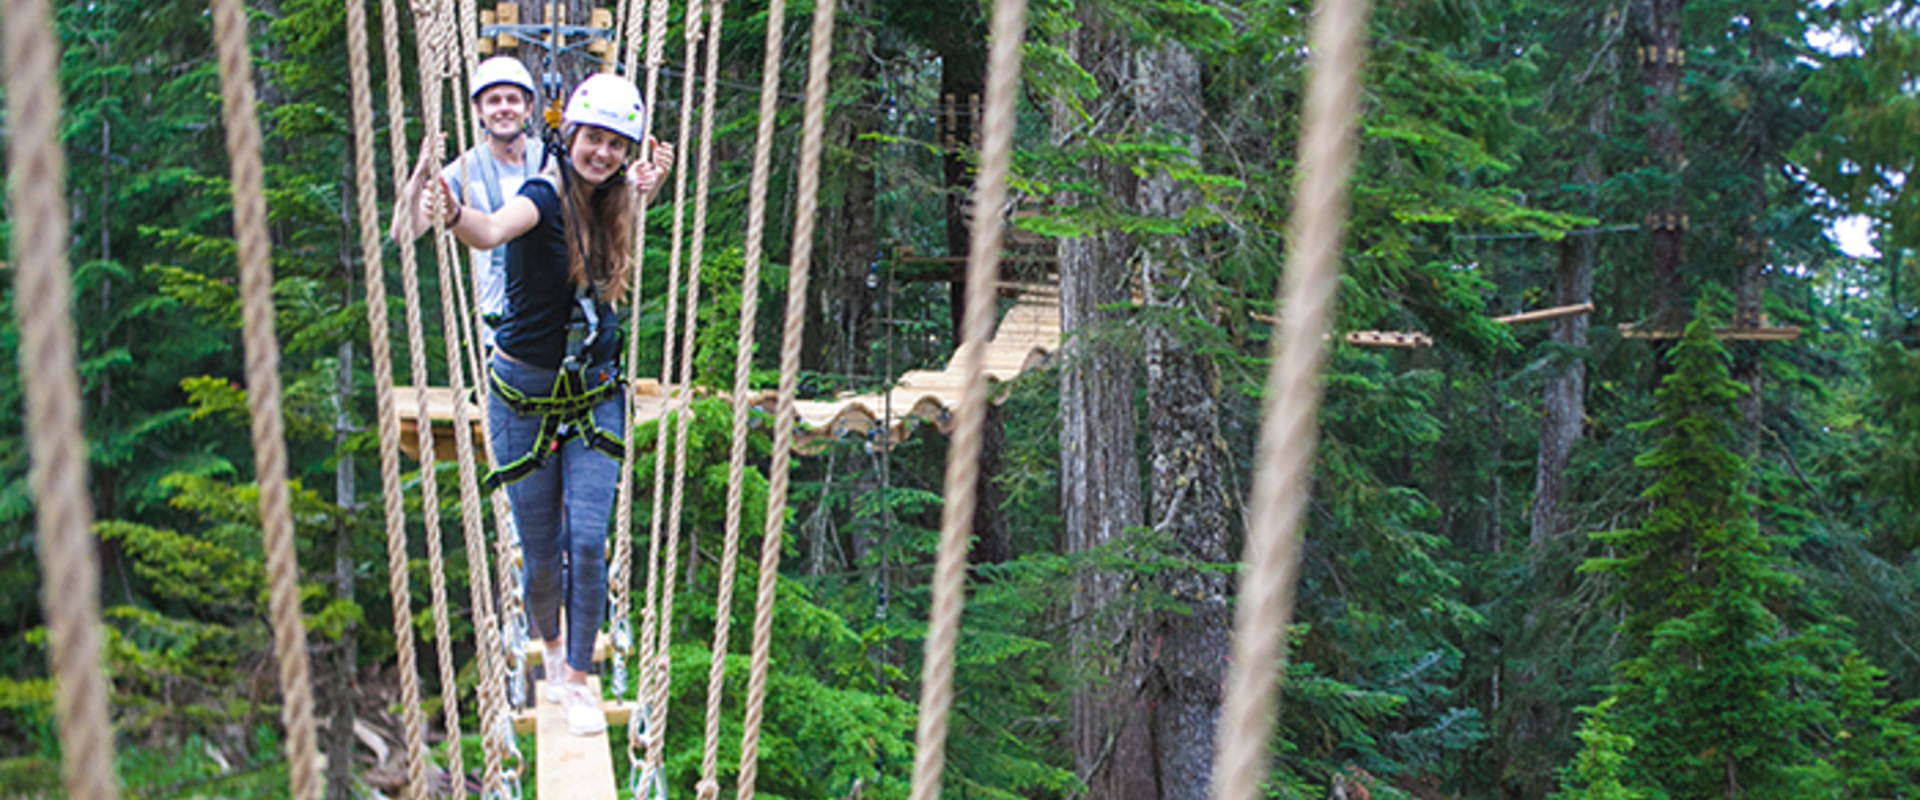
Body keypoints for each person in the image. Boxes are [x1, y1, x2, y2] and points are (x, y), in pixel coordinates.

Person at [401, 73, 674, 736]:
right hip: (522, 396)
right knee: (540, 546)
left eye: (616, 143)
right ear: (568, 136)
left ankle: (577, 680)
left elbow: (622, 224)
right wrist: (451, 209)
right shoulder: (542, 194)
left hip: (594, 396)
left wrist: (648, 188)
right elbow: (492, 230)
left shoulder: (615, 203)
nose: (603, 153)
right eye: (593, 139)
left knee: (587, 537)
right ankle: (551, 654)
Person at [445, 56, 545, 348]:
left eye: (513, 100)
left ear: (528, 108)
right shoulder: (462, 171)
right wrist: (418, 179)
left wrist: (643, 187)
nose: (504, 108)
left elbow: (606, 212)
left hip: (551, 318)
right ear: (478, 111)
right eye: (494, 100)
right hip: (498, 326)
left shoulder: (552, 161)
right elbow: (404, 230)